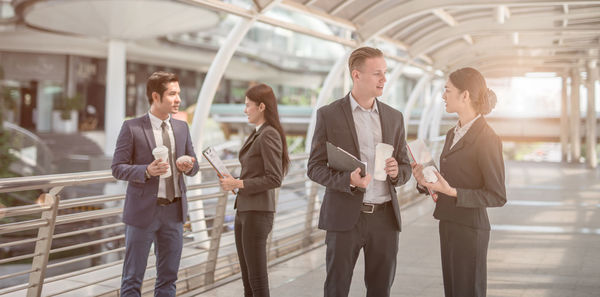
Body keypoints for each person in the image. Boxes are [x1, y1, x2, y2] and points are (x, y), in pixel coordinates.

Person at [307, 47, 412, 297]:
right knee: (336, 288)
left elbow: (406, 167)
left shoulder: (394, 118)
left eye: (384, 73)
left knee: (380, 289)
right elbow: (314, 167)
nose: (384, 79)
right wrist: (347, 180)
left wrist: (397, 171)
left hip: (384, 218)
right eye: (377, 73)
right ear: (356, 75)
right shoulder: (329, 115)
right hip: (344, 219)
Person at [411, 67, 507, 297]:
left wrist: (453, 192)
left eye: (447, 90)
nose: (443, 96)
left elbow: (497, 195)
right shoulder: (452, 134)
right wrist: (425, 181)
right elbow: (448, 181)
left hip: (471, 230)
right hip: (449, 223)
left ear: (465, 95)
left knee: (468, 291)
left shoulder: (488, 139)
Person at [112, 71, 199, 297]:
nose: (178, 99)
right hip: (142, 214)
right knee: (132, 278)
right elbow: (117, 168)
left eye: (178, 93)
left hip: (174, 211)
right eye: (172, 94)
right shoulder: (132, 128)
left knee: (169, 279)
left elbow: (194, 163)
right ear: (155, 96)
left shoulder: (181, 127)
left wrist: (189, 166)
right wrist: (146, 171)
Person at [219, 83, 289, 297]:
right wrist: (235, 181)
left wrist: (238, 184)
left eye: (248, 105)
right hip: (245, 211)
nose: (244, 109)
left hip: (257, 214)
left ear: (261, 107)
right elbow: (256, 173)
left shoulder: (268, 134)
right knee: (249, 280)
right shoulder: (258, 133)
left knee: (257, 281)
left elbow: (274, 177)